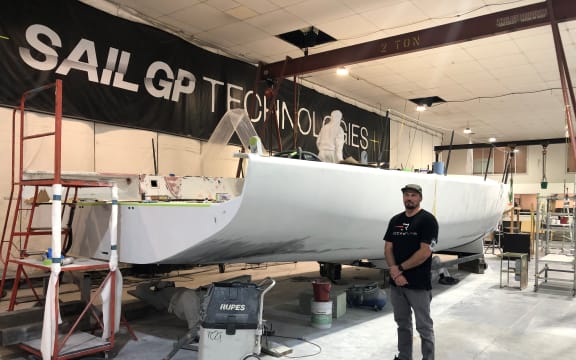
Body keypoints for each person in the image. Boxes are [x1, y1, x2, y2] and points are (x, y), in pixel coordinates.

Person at [384, 184, 438, 360]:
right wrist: (396, 274)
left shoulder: (428, 220)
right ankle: (404, 357)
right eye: (407, 195)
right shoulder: (395, 220)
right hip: (397, 284)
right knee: (402, 324)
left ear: (420, 198)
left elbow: (424, 252)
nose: (410, 198)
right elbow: (388, 248)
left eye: (413, 195)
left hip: (418, 284)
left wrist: (398, 270)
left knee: (424, 326)